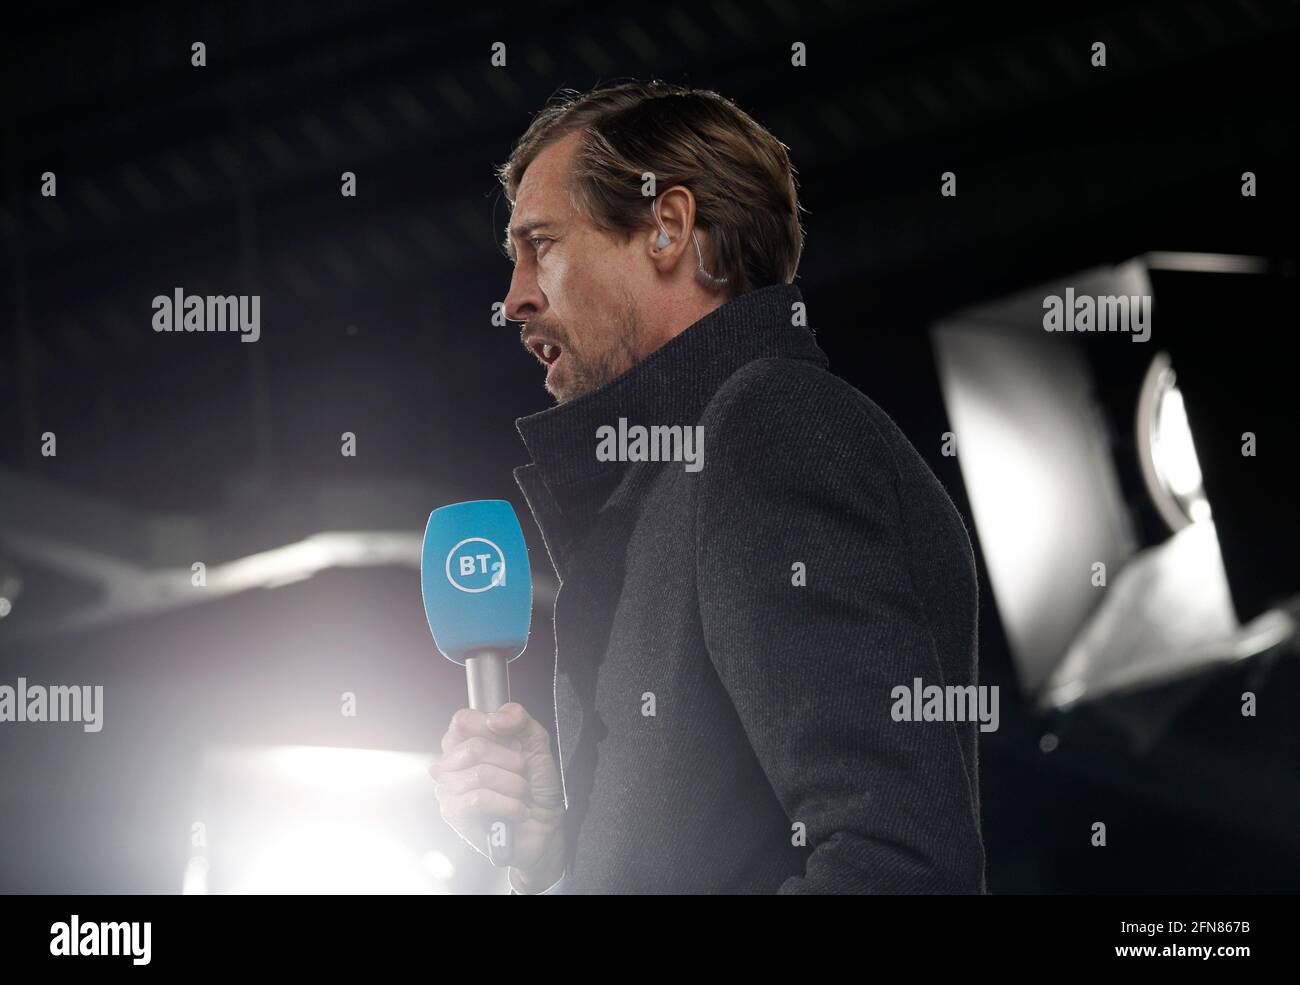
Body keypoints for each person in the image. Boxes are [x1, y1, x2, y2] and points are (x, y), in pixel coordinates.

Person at [430, 80, 986, 894]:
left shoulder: (771, 425)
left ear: (668, 227)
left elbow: (897, 865)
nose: (513, 298)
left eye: (540, 244)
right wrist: (557, 861)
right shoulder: (678, 482)